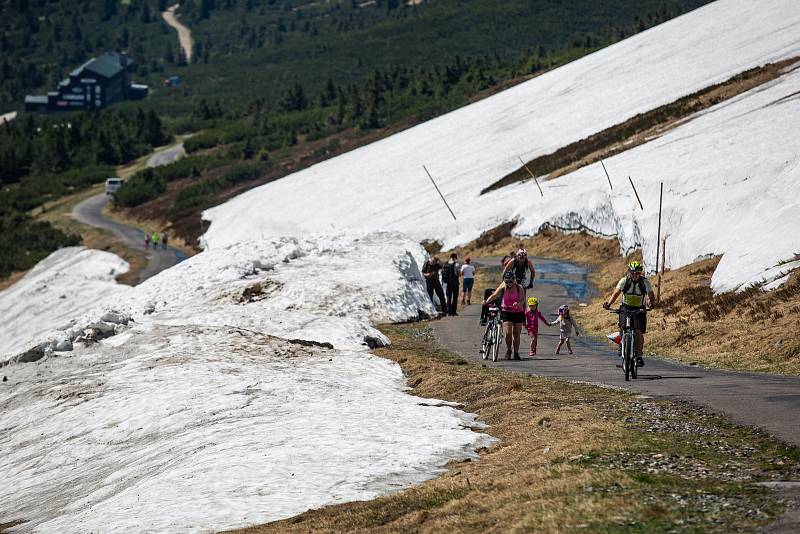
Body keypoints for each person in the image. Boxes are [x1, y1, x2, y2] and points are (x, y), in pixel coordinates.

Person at [602, 260, 656, 367]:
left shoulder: (645, 282)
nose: (635, 275)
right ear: (629, 272)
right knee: (623, 326)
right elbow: (616, 293)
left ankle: (639, 355)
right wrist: (608, 303)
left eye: (637, 273)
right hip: (626, 307)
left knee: (638, 330)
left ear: (640, 273)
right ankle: (622, 344)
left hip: (639, 308)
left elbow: (651, 295)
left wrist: (652, 303)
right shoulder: (624, 281)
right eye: (632, 273)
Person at [483, 271, 526, 360]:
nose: (509, 283)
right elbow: (494, 295)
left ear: (514, 280)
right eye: (506, 281)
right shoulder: (503, 287)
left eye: (511, 281)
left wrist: (518, 303)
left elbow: (523, 300)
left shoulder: (519, 288)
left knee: (517, 333)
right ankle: (509, 350)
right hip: (506, 311)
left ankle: (516, 353)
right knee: (508, 333)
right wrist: (486, 301)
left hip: (518, 312)